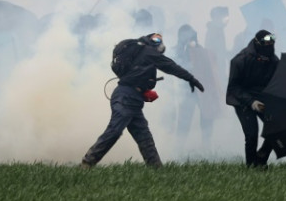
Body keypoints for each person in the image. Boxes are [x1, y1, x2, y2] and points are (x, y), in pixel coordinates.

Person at [81, 32, 205, 168]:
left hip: (132, 98)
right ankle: (87, 163)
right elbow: (171, 66)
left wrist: (144, 88)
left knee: (144, 136)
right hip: (126, 97)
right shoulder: (149, 53)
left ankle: (157, 169)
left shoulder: (138, 52)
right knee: (114, 130)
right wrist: (191, 78)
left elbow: (138, 75)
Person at [226, 29, 279, 168]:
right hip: (242, 100)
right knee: (251, 135)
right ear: (258, 44)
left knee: (277, 127)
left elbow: (277, 83)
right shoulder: (240, 60)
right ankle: (251, 166)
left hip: (263, 100)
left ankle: (262, 157)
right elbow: (233, 88)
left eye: (272, 44)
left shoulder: (274, 61)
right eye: (267, 45)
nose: (270, 49)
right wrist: (251, 102)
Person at [174, 24, 223, 151]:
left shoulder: (203, 52)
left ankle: (206, 147)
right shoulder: (179, 51)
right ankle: (178, 149)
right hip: (186, 91)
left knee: (206, 119)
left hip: (202, 90)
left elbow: (210, 71)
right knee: (184, 121)